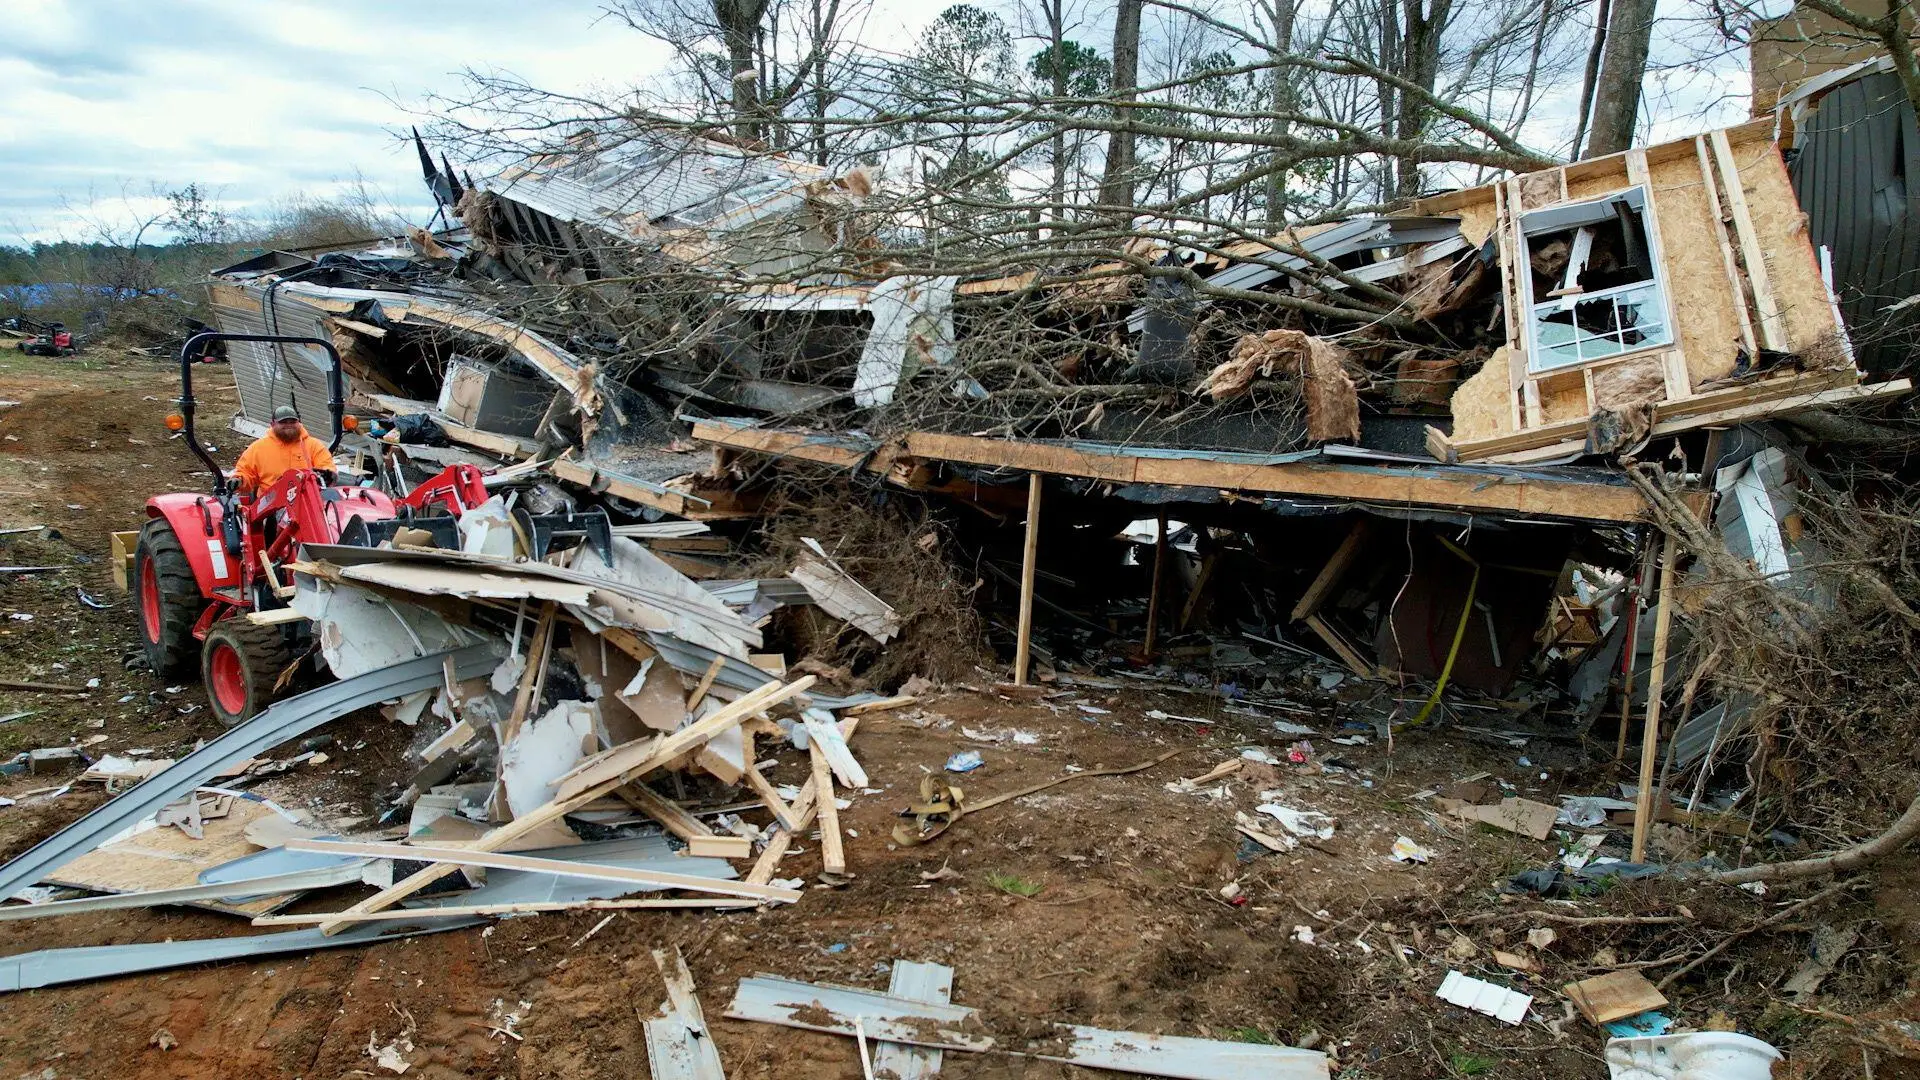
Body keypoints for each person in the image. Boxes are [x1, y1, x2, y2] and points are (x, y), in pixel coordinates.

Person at [233, 406, 335, 493]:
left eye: (292, 421)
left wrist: (327, 476)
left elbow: (326, 468)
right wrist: (239, 481)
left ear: (299, 423)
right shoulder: (258, 448)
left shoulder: (314, 445)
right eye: (283, 422)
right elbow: (246, 473)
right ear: (272, 425)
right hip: (271, 507)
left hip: (307, 501)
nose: (289, 425)